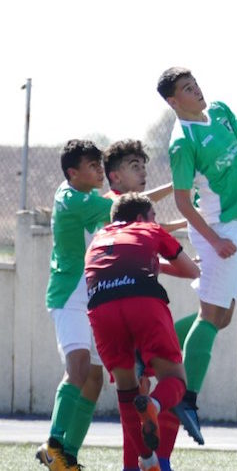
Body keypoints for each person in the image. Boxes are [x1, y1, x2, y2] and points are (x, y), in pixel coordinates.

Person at [156, 67, 237, 445]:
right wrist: (215, 240)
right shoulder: (182, 142)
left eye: (195, 85)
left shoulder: (220, 111)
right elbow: (181, 201)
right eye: (187, 89)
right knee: (211, 315)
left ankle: (152, 350)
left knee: (222, 317)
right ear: (174, 101)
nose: (197, 91)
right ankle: (186, 398)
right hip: (217, 229)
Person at [84, 193, 199, 471]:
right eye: (153, 216)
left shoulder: (98, 239)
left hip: (101, 306)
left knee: (126, 389)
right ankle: (154, 405)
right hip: (143, 301)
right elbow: (191, 271)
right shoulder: (149, 230)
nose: (156, 222)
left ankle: (146, 461)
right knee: (175, 379)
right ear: (140, 218)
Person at [101, 139, 188, 471]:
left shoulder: (132, 216)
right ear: (115, 176)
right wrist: (180, 186)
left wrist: (186, 222)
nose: (142, 171)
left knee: (137, 391)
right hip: (113, 305)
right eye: (134, 166)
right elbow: (150, 225)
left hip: (112, 305)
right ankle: (139, 463)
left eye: (144, 165)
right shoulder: (111, 204)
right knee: (137, 390)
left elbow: (151, 233)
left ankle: (142, 463)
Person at [36, 140, 113, 471]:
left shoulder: (88, 198)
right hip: (69, 295)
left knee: (94, 379)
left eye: (100, 164)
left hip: (92, 297)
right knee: (78, 367)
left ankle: (67, 457)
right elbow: (126, 205)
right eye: (92, 166)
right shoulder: (71, 198)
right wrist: (177, 189)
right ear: (73, 173)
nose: (100, 171)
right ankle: (52, 444)